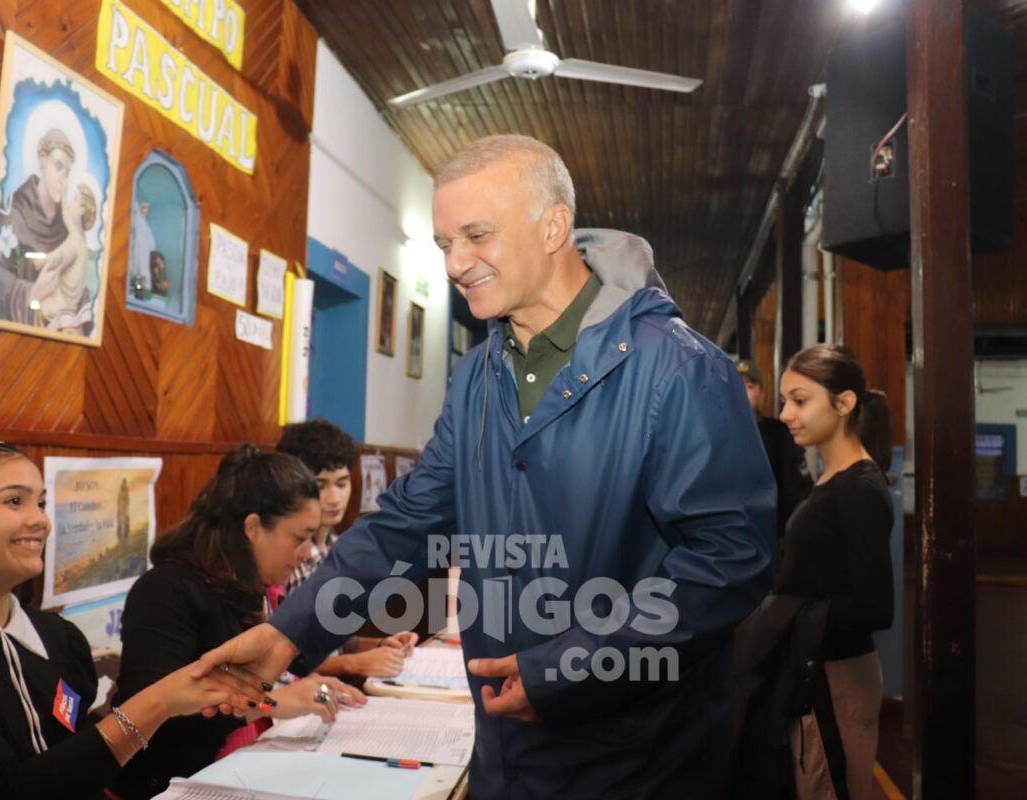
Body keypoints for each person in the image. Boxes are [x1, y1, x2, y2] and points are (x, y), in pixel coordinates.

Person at [195, 134, 776, 798]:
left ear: (552, 226)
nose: (456, 263)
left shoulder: (678, 367)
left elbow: (731, 560)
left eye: (476, 235)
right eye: (445, 244)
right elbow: (405, 525)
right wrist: (286, 633)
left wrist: (572, 669)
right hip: (507, 751)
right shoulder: (477, 375)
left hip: (636, 760)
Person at [0, 439, 265, 800]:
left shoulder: (59, 639)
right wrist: (157, 701)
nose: (40, 520)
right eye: (14, 501)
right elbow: (8, 792)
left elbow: (75, 763)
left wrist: (187, 699)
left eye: (41, 502)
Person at [110, 445, 365, 800]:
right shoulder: (166, 590)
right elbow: (153, 725)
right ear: (253, 527)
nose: (308, 552)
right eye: (300, 538)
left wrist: (307, 687)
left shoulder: (255, 588)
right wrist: (270, 703)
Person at [771, 346, 893, 798]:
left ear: (843, 404)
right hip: (819, 671)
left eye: (800, 401)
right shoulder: (832, 478)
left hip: (839, 678)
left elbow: (876, 606)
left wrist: (783, 614)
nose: (786, 414)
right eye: (784, 401)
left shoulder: (858, 488)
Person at [276, 419, 417, 678]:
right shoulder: (284, 558)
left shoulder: (338, 547)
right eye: (320, 486)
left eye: (341, 484)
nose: (334, 499)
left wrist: (377, 646)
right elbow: (281, 661)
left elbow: (329, 638)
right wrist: (357, 664)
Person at [0, 128, 89, 327]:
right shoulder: (13, 214)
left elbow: (78, 286)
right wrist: (32, 293)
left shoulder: (65, 229)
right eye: (58, 166)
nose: (63, 179)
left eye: (67, 171)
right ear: (42, 160)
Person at [737, 358, 814, 547]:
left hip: (773, 541)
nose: (741, 393)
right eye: (735, 385)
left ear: (760, 392)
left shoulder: (780, 435)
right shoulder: (712, 436)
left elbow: (801, 494)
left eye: (749, 386)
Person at [33, 182, 97, 334]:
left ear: (82, 209)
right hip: (69, 304)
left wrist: (43, 260)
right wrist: (64, 195)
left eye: (75, 200)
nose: (71, 204)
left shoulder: (75, 240)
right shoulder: (80, 237)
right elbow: (66, 216)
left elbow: (62, 254)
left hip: (59, 305)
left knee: (34, 308)